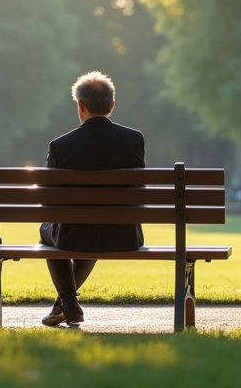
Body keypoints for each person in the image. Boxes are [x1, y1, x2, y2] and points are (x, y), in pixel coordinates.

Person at [39, 71, 145, 327]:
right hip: (124, 236)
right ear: (111, 105)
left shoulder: (60, 145)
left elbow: (47, 199)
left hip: (73, 234)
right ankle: (66, 304)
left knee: (49, 233)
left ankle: (69, 304)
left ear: (80, 105)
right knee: (94, 229)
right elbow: (140, 189)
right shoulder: (134, 139)